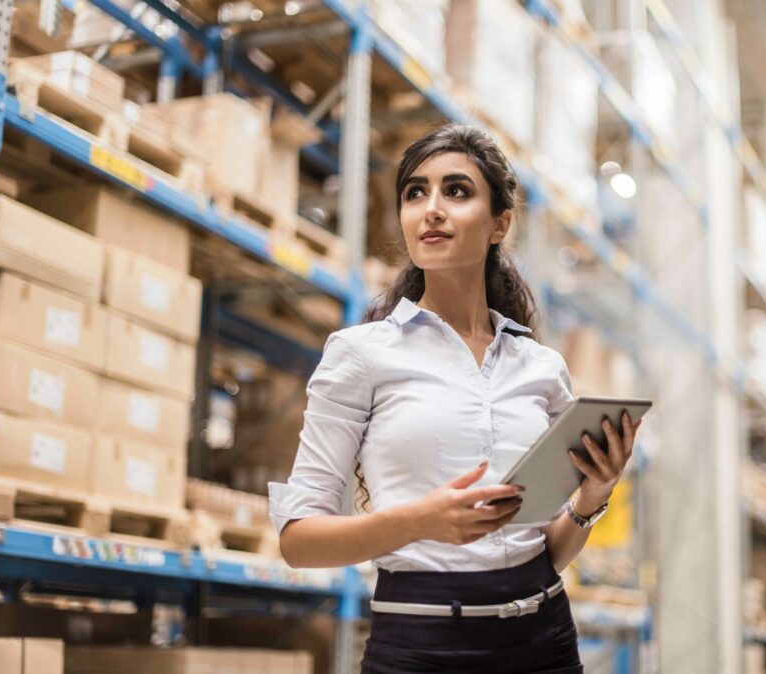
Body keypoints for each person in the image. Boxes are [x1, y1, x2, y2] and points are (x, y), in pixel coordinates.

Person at [268, 123, 641, 673]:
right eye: (415, 193)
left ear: (500, 224)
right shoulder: (360, 354)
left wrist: (594, 494)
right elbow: (299, 541)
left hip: (545, 645)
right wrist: (420, 520)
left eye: (457, 191)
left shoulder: (540, 368)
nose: (432, 209)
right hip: (421, 648)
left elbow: (547, 554)